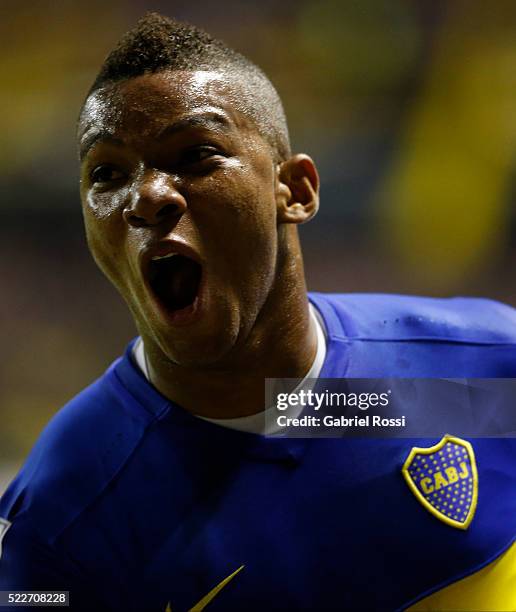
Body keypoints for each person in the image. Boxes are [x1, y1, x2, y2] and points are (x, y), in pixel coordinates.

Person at [1, 12, 515, 612]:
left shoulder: (479, 370)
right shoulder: (61, 522)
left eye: (195, 155)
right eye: (108, 173)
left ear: (295, 190)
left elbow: (315, 413)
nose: (147, 195)